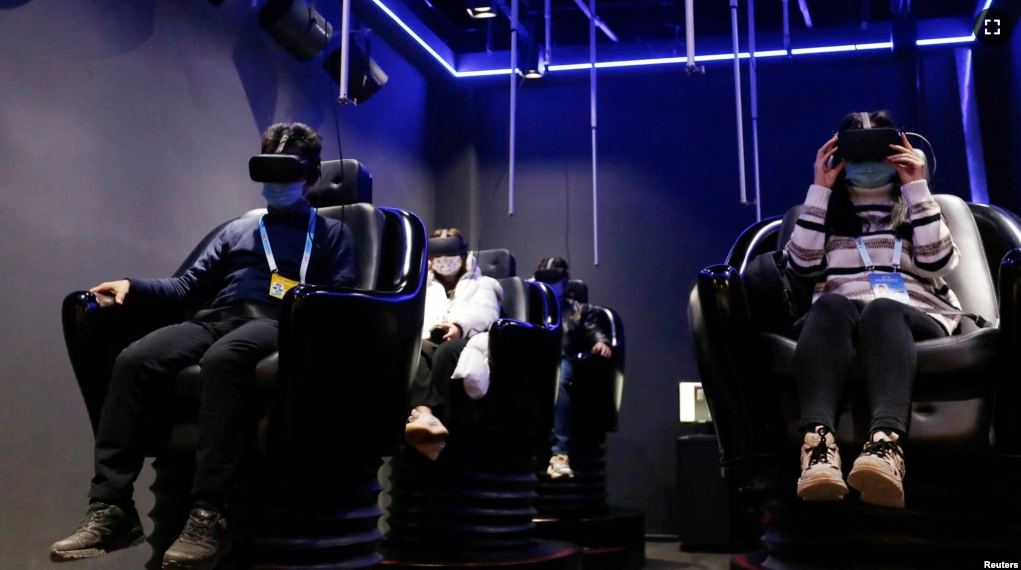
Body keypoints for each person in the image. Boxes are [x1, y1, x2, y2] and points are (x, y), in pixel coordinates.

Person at [50, 123, 358, 568]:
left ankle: (209, 512)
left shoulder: (332, 234)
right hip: (217, 318)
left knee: (224, 360)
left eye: (285, 172)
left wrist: (301, 303)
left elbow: (343, 294)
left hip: (281, 322)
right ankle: (112, 508)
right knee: (136, 359)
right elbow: (187, 286)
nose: (274, 183)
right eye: (266, 170)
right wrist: (131, 286)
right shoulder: (237, 231)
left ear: (308, 177)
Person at [785, 111, 961, 509]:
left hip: (914, 315)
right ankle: (817, 449)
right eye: (855, 153)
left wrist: (916, 186)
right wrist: (820, 191)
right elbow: (801, 268)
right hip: (842, 317)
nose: (867, 164)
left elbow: (939, 262)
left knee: (882, 308)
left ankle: (886, 447)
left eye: (877, 151)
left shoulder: (920, 204)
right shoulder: (825, 211)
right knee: (829, 302)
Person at [405, 228, 502, 460]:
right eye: (439, 256)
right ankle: (425, 416)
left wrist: (459, 326)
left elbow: (485, 312)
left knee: (446, 353)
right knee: (415, 351)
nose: (444, 262)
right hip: (431, 337)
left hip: (468, 339)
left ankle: (442, 430)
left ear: (463, 255)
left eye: (450, 256)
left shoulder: (484, 283)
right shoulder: (423, 285)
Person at [532, 257, 613, 479]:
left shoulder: (579, 309)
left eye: (554, 279)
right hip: (532, 361)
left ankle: (559, 455)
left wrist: (601, 341)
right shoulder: (530, 304)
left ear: (565, 282)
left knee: (562, 378)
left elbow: (593, 328)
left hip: (562, 360)